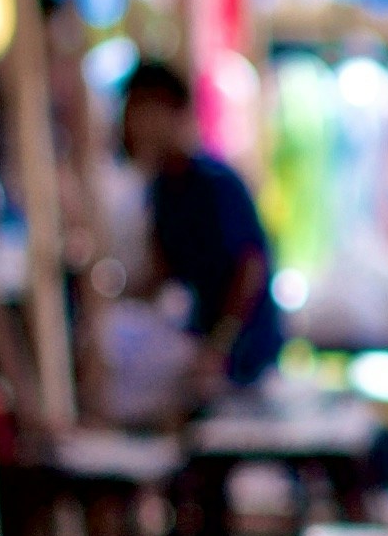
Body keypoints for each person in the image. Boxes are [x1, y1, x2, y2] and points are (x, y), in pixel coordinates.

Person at [111, 56, 283, 397]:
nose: (134, 124)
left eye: (143, 111)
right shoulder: (162, 190)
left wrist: (218, 348)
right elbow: (164, 271)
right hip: (203, 352)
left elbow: (249, 268)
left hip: (242, 359)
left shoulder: (213, 184)